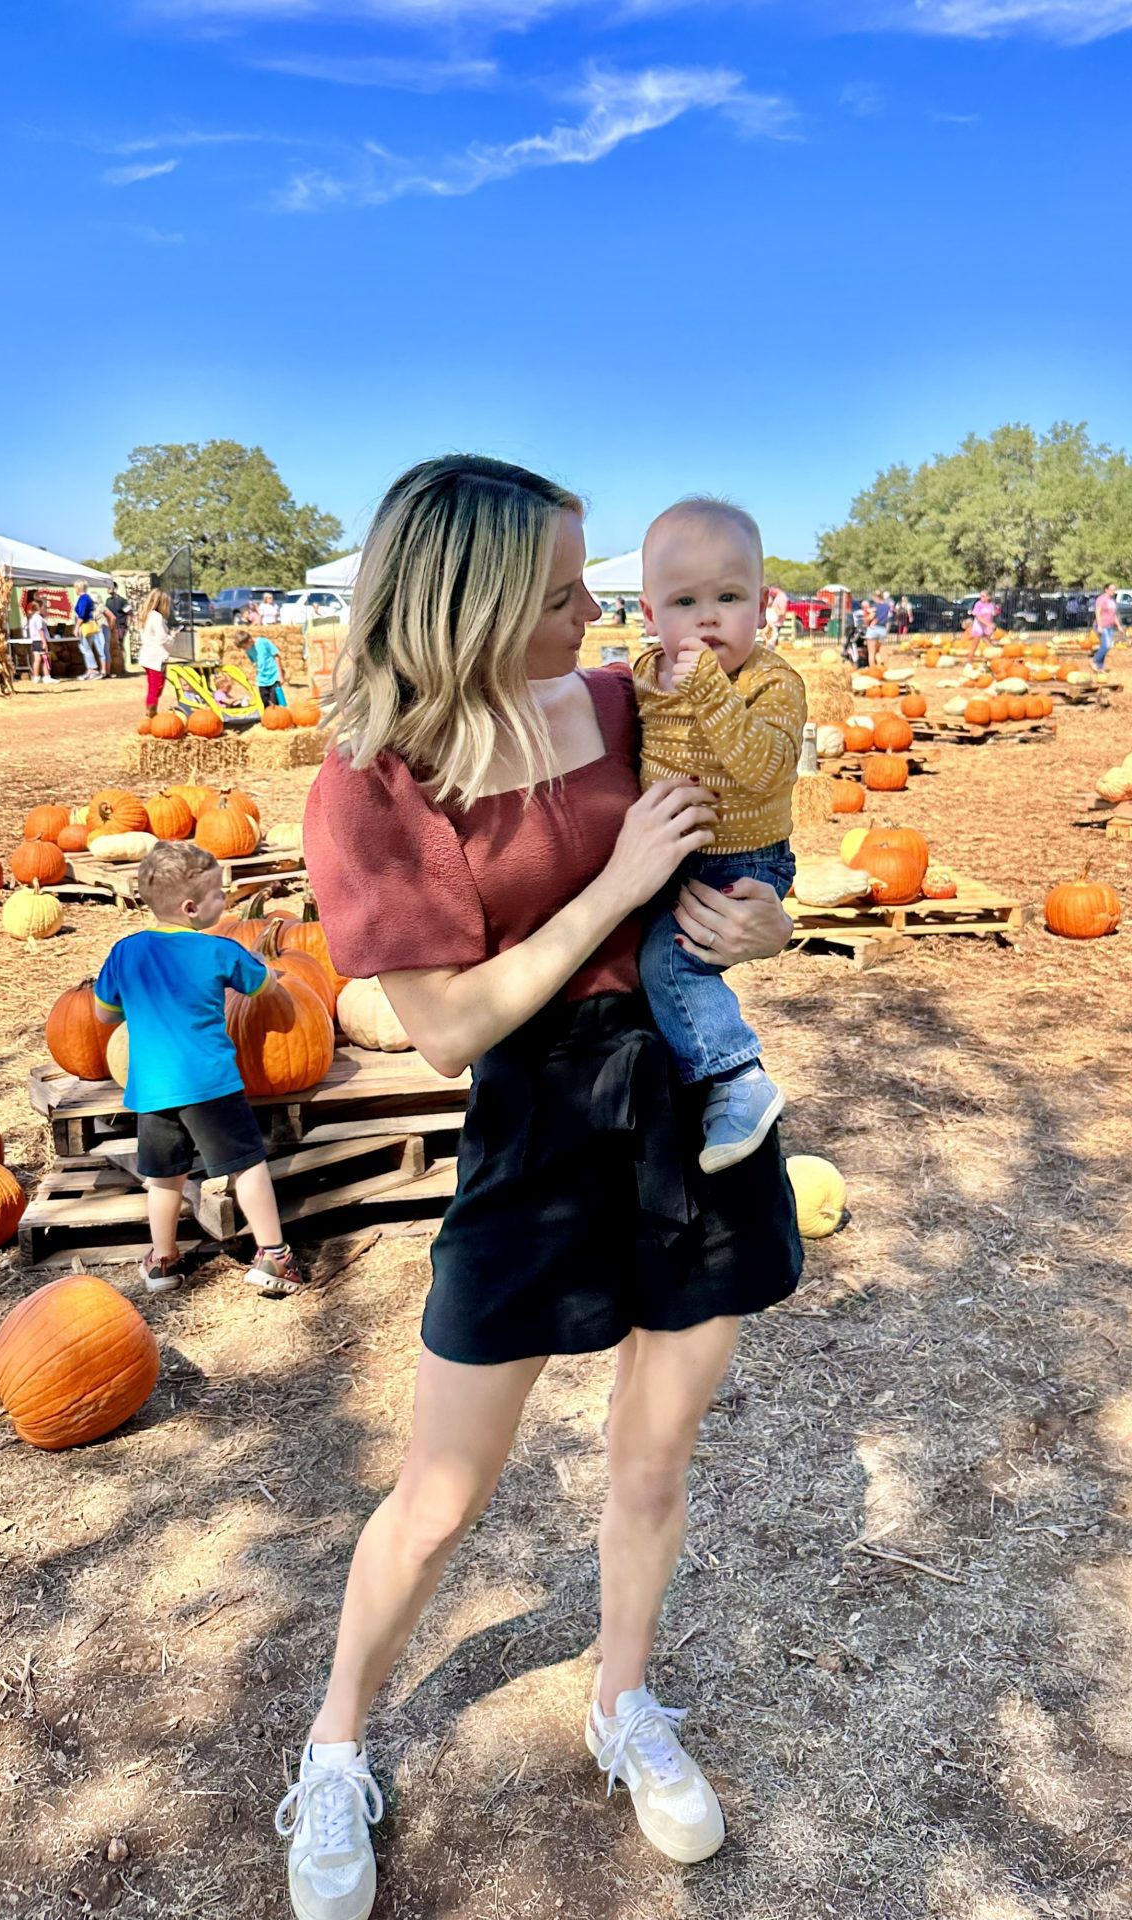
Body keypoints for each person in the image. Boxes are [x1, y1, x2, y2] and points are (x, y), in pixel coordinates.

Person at [290, 455, 800, 1920]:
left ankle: (620, 1699)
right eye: (564, 590)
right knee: (441, 1494)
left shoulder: (636, 702)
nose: (599, 609)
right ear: (474, 603)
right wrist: (618, 878)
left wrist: (763, 923)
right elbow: (447, 1025)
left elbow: (758, 837)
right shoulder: (375, 784)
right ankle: (336, 1749)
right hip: (537, 1119)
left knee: (653, 1459)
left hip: (692, 1102)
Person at [633, 497, 803, 1172]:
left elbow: (762, 769)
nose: (707, 617)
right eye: (684, 602)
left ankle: (737, 1077)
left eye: (729, 596)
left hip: (742, 860)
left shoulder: (773, 683)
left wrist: (708, 690)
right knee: (645, 954)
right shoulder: (643, 676)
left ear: (762, 607)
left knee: (670, 960)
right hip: (673, 856)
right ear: (649, 615)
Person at [91, 842, 307, 1298]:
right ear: (191, 908)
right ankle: (274, 1254)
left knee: (164, 1178)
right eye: (218, 896)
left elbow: (105, 1014)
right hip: (210, 1084)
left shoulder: (125, 952)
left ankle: (162, 1260)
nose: (225, 902)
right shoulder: (217, 951)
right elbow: (265, 982)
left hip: (152, 1089)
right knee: (246, 1167)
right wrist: (281, 973)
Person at [137, 589, 173, 718]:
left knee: (153, 686)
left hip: (147, 655)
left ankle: (151, 711)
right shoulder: (156, 617)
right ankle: (151, 713)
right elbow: (161, 637)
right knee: (156, 687)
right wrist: (172, 636)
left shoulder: (146, 615)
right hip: (156, 657)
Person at [244, 628, 284, 707]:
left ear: (249, 640)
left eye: (245, 647)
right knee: (265, 704)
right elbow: (255, 663)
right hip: (262, 681)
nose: (244, 649)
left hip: (274, 677)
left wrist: (281, 674)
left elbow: (276, 656)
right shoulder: (248, 650)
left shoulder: (263, 642)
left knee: (275, 704)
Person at [72, 578, 103, 678]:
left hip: (85, 625)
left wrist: (76, 627)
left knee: (86, 648)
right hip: (88, 624)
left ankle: (93, 669)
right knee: (85, 648)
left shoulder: (83, 598)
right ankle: (90, 670)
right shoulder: (87, 598)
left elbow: (81, 615)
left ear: (78, 588)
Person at [25, 591, 54, 685]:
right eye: (44, 607)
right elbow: (40, 630)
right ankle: (47, 676)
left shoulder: (32, 617)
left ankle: (36, 677)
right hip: (40, 640)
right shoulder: (38, 618)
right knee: (46, 658)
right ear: (40, 608)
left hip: (35, 641)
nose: (45, 609)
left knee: (37, 659)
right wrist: (44, 641)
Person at [1093, 582, 1123, 669]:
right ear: (1106, 590)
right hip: (1102, 625)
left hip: (1110, 626)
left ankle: (1100, 666)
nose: (1113, 591)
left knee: (1106, 646)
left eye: (1114, 589)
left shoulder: (1112, 601)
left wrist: (1118, 626)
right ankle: (1095, 660)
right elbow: (1097, 612)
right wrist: (1099, 626)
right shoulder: (1101, 599)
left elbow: (1113, 615)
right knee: (1107, 645)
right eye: (1112, 589)